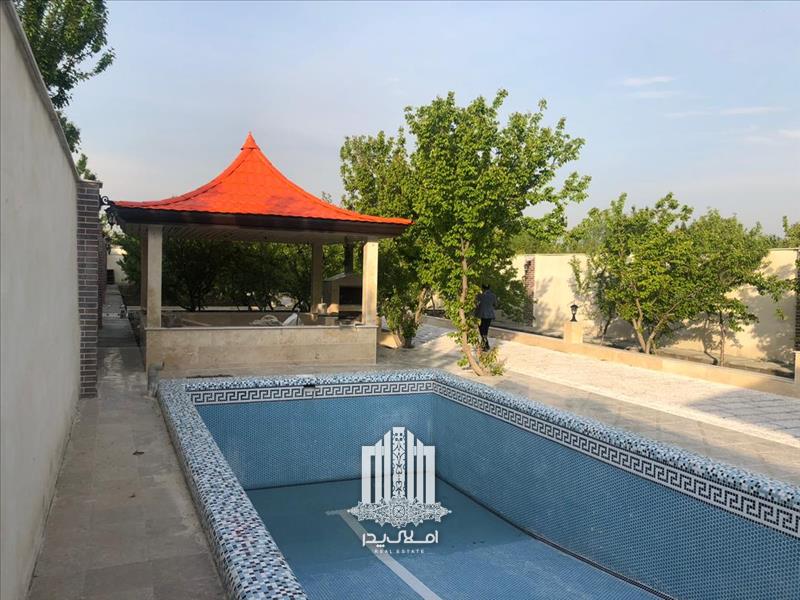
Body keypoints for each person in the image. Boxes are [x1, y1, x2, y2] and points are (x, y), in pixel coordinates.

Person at [475, 284, 497, 351]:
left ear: (483, 288)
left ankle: (486, 345)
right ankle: (485, 345)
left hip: (481, 315)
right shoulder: (493, 295)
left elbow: (475, 303)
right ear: (489, 288)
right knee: (485, 330)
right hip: (489, 315)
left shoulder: (480, 295)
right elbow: (495, 304)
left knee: (482, 331)